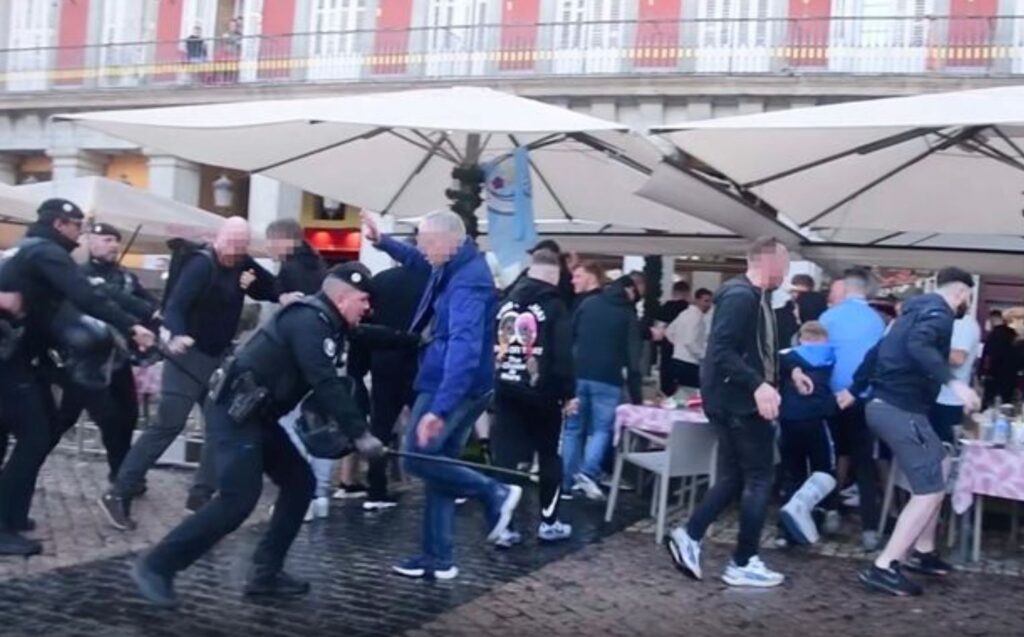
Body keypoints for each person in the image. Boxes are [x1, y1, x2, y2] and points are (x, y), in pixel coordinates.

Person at [130, 264, 385, 608]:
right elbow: (324, 381)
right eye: (363, 300)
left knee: (300, 483)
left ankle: (265, 574)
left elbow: (369, 335)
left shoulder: (328, 323)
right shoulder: (309, 322)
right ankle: (156, 565)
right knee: (237, 500)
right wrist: (360, 434)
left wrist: (415, 341)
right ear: (342, 298)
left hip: (256, 415)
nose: (367, 308)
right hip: (234, 413)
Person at [362, 210, 521, 580]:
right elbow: (418, 259)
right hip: (462, 385)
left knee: (417, 458)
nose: (422, 249)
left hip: (450, 385)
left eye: (427, 242)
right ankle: (439, 557)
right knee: (440, 466)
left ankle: (495, 493)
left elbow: (464, 349)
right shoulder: (449, 262)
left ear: (451, 241)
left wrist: (440, 408)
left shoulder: (467, 283)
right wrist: (383, 241)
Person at [100, 217, 278, 530]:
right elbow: (176, 305)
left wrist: (281, 294)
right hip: (188, 356)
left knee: (220, 426)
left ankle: (200, 495)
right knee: (168, 424)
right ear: (220, 238)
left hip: (216, 357)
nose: (235, 251)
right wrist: (178, 334)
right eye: (231, 244)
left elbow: (268, 286)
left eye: (241, 246)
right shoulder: (201, 264)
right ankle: (119, 492)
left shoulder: (241, 263)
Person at [0, 199, 155, 555]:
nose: (80, 232)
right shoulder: (46, 252)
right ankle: (3, 525)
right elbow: (86, 296)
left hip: (20, 357)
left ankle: (13, 515)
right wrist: (132, 326)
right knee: (35, 436)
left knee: (39, 429)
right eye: (76, 225)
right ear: (59, 224)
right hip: (9, 359)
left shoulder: (25, 249)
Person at [666, 236, 790, 588]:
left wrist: (788, 371)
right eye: (783, 264)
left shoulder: (749, 297)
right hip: (739, 403)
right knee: (759, 478)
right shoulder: (742, 297)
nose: (786, 272)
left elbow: (751, 351)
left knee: (732, 478)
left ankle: (690, 535)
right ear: (767, 262)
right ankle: (743, 561)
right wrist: (758, 385)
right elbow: (721, 350)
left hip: (731, 401)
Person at [853, 267, 980, 597]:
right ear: (962, 293)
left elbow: (876, 352)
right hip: (901, 410)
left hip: (886, 406)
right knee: (930, 491)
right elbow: (919, 345)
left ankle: (923, 551)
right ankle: (884, 566)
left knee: (941, 463)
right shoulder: (940, 314)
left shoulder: (910, 313)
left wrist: (854, 389)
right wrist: (954, 383)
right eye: (968, 297)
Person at [51, 223, 160, 485]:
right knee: (66, 419)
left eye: (115, 240)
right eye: (106, 239)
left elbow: (150, 306)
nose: (113, 245)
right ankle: (26, 461)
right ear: (90, 241)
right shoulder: (78, 275)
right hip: (84, 362)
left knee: (127, 415)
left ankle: (121, 475)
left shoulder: (126, 277)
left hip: (118, 359)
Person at [492, 248, 575, 545]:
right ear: (554, 275)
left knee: (506, 459)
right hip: (543, 394)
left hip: (505, 388)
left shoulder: (505, 303)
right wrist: (568, 393)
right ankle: (548, 523)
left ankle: (504, 525)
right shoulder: (555, 306)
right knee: (549, 457)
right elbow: (563, 355)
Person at [561, 275, 643, 502]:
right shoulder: (627, 313)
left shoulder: (589, 303)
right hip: (608, 378)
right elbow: (634, 357)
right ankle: (588, 473)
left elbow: (570, 335)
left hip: (578, 373)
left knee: (572, 429)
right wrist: (636, 396)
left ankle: (566, 483)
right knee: (601, 430)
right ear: (628, 290)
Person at [821, 267, 886, 551]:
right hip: (863, 398)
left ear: (845, 289)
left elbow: (819, 356)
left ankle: (831, 511)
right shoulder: (877, 321)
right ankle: (870, 528)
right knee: (864, 461)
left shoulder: (828, 317)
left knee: (833, 456)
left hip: (833, 397)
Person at [357, 261, 429, 511]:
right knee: (428, 422)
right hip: (417, 360)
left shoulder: (380, 280)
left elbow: (367, 317)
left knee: (381, 426)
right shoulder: (429, 281)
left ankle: (376, 489)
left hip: (383, 359)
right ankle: (440, 483)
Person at [776, 321, 840, 544]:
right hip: (817, 420)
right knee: (823, 471)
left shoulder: (788, 356)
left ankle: (785, 531)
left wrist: (794, 371)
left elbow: (781, 357)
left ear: (801, 339)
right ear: (824, 339)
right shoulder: (829, 356)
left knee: (794, 472)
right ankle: (821, 514)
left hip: (789, 420)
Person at [930, 311, 981, 445]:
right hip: (935, 397)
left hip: (948, 400)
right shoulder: (950, 321)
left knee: (942, 448)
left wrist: (925, 348)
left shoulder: (963, 323)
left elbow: (958, 358)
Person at [664, 287, 713, 392]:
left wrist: (678, 344)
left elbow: (668, 332)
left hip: (677, 359)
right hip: (690, 362)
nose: (708, 305)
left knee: (680, 392)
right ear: (697, 300)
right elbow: (690, 341)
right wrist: (702, 355)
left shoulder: (684, 313)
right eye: (706, 301)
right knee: (690, 393)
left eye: (710, 301)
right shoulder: (697, 317)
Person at [652, 281, 691, 397]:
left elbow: (658, 331)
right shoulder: (689, 310)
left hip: (667, 348)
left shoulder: (665, 308)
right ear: (687, 293)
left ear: (673, 292)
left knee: (667, 379)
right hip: (685, 351)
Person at [981, 310, 1019, 408]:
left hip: (993, 375)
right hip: (1010, 375)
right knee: (1006, 404)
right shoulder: (1013, 334)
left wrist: (983, 372)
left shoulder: (993, 335)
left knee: (989, 404)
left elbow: (988, 355)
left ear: (993, 319)